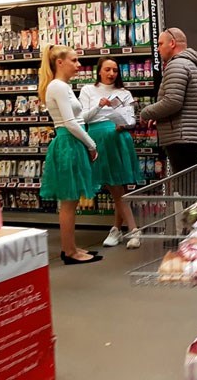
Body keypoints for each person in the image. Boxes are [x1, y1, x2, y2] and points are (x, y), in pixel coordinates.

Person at [38, 45, 102, 265]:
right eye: (74, 60)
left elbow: (76, 119)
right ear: (59, 62)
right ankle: (69, 252)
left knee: (71, 200)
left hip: (71, 142)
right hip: (69, 143)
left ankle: (71, 247)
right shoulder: (58, 86)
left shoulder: (61, 86)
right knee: (69, 201)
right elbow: (70, 123)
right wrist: (91, 144)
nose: (78, 65)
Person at [79, 56, 142, 249]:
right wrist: (99, 105)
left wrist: (125, 124)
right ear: (99, 71)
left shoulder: (124, 93)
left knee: (118, 186)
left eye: (115, 70)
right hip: (98, 137)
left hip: (118, 137)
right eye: (107, 69)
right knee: (116, 188)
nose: (111, 73)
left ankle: (123, 230)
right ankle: (129, 229)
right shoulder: (88, 90)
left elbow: (132, 120)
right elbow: (83, 118)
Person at [140, 27, 197, 173]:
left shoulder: (177, 64)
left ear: (172, 43)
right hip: (192, 135)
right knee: (190, 182)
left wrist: (146, 112)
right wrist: (159, 116)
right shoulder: (192, 65)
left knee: (183, 183)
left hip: (181, 137)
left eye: (160, 44)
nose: (158, 49)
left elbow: (172, 102)